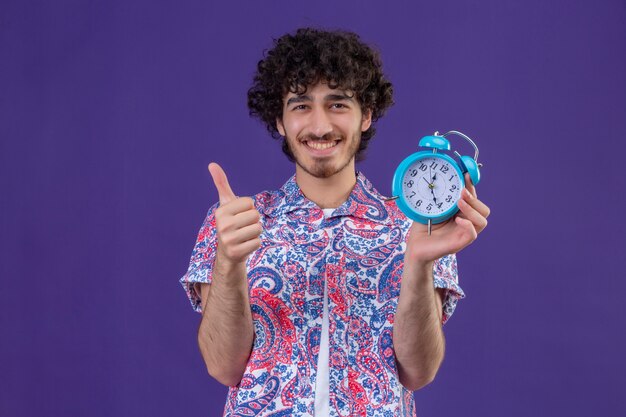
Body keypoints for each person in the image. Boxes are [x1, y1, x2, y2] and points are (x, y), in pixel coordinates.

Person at [180, 27, 490, 417]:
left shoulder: (418, 223)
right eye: (300, 105)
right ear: (279, 120)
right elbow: (223, 366)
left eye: (338, 104)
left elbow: (419, 372)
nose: (320, 126)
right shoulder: (234, 222)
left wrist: (418, 262)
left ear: (366, 115)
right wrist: (229, 261)